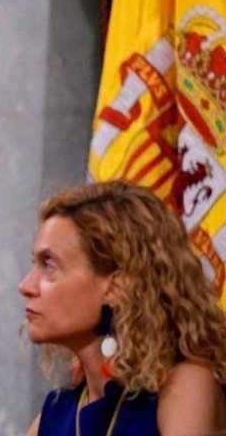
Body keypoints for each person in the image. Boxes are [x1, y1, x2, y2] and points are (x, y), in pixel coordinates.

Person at [19, 180, 226, 436]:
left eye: (49, 266)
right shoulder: (54, 413)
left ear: (115, 287)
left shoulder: (186, 386)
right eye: (34, 264)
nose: (25, 286)